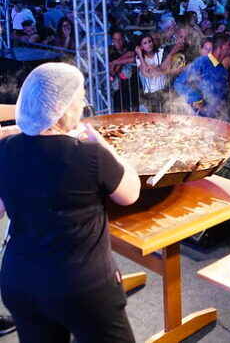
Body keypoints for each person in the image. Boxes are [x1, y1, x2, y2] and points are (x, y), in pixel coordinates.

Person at [0, 62, 140, 341]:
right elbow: (130, 193)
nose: (83, 104)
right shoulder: (90, 155)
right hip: (82, 286)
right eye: (80, 97)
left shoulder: (5, 149)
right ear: (63, 107)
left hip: (20, 281)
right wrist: (103, 144)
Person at [173, 33, 230, 118]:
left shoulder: (223, 71)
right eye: (229, 45)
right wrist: (195, 98)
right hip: (199, 118)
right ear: (221, 48)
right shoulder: (202, 62)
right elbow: (179, 83)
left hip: (216, 119)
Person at [109, 30, 138, 112]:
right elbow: (113, 71)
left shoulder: (129, 46)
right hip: (118, 88)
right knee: (121, 110)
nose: (117, 42)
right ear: (112, 40)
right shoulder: (110, 51)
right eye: (115, 40)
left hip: (132, 84)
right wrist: (123, 60)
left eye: (120, 39)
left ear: (123, 39)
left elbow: (133, 56)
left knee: (134, 108)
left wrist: (116, 62)